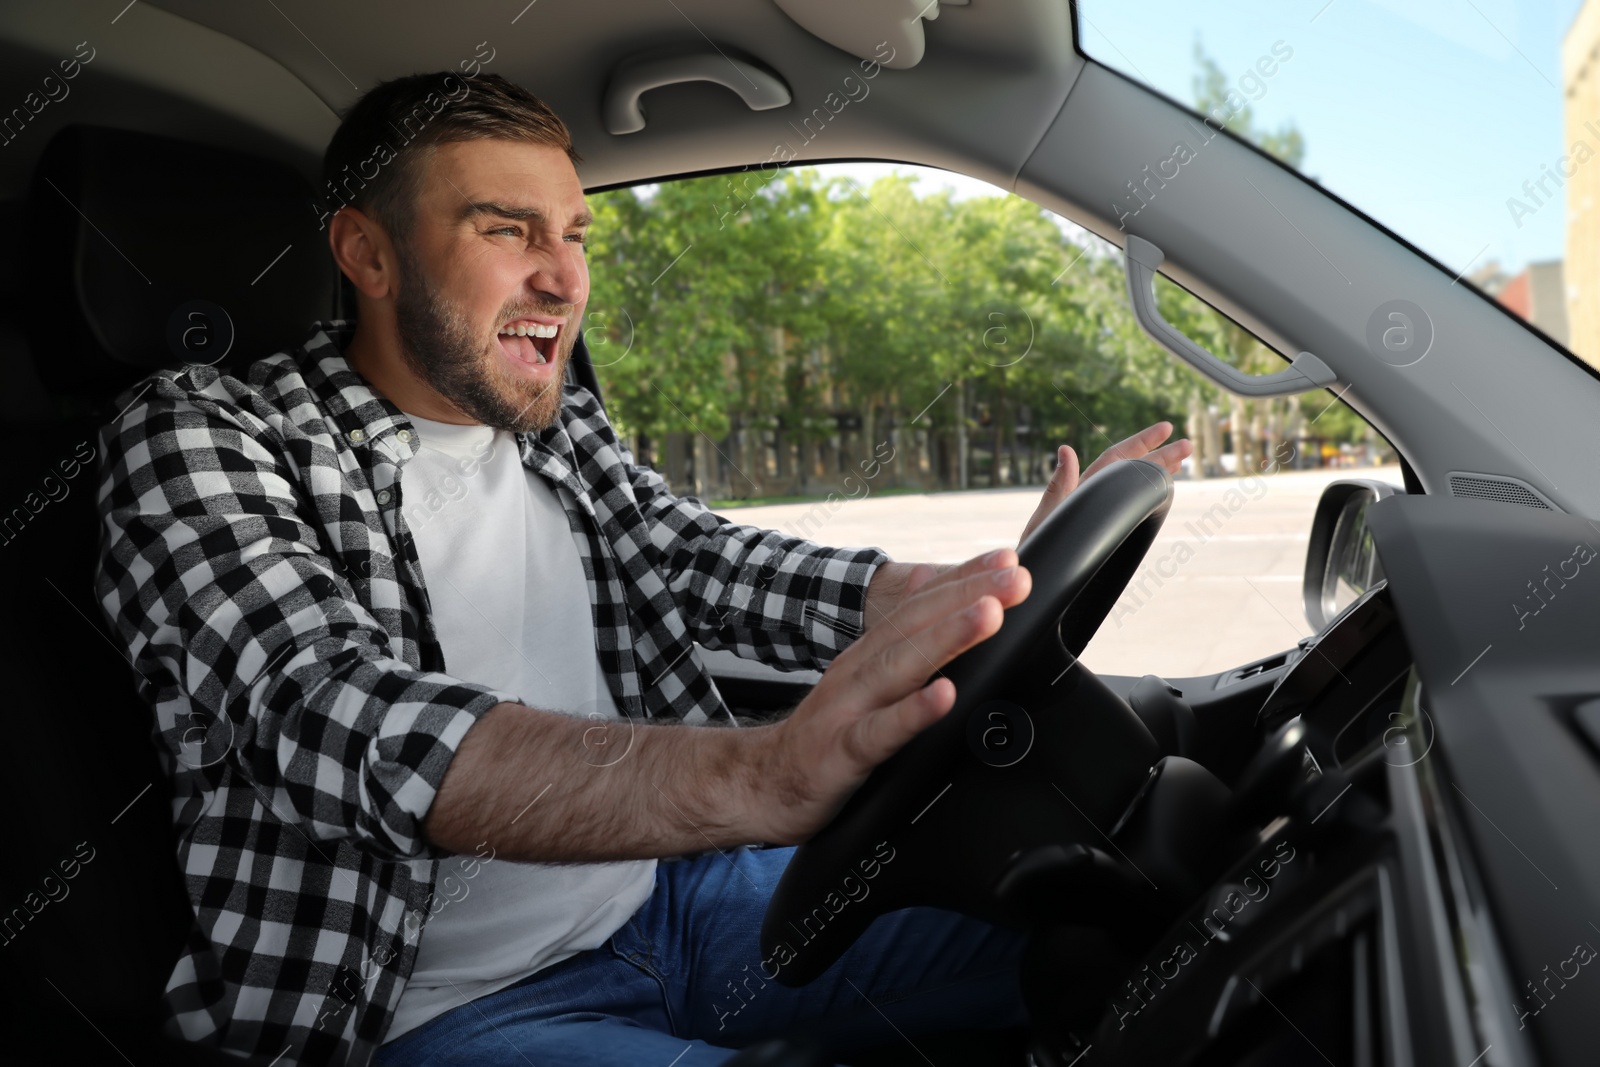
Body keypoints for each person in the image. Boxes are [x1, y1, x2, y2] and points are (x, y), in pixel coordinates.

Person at [92, 71, 1190, 1066]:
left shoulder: (549, 421)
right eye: (506, 229)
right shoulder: (202, 431)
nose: (562, 276)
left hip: (670, 905)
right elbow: (334, 711)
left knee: (1115, 934)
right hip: (424, 1007)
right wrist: (757, 775)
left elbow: (691, 556)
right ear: (368, 255)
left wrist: (932, 594)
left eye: (574, 233)